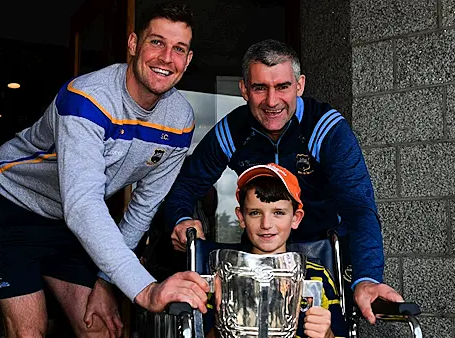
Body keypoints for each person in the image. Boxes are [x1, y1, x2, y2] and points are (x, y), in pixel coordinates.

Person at [0, 3, 209, 338]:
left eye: (179, 49)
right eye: (156, 42)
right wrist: (146, 289)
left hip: (68, 227)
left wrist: (107, 281)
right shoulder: (87, 98)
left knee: (100, 328)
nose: (166, 58)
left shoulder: (180, 120)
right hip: (12, 205)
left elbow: (143, 206)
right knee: (29, 330)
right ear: (132, 44)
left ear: (187, 59)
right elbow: (83, 204)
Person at [164, 39, 403, 324]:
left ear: (300, 85)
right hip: (259, 258)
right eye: (259, 88)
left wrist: (367, 279)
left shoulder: (326, 128)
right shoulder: (233, 130)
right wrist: (179, 218)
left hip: (325, 254)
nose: (272, 101)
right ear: (243, 90)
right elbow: (186, 184)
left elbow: (359, 209)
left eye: (283, 87)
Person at [205, 163, 346, 338]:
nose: (266, 224)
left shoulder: (316, 276)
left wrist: (327, 335)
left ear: (296, 218)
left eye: (278, 213)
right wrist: (222, 322)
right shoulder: (224, 276)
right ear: (241, 217)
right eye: (255, 213)